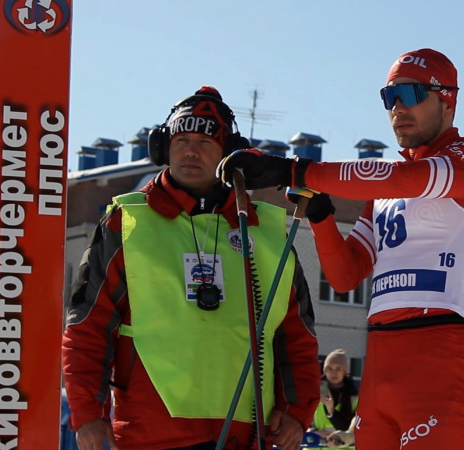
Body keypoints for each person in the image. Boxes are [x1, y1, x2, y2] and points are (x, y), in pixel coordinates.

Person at [218, 48, 464, 450]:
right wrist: (321, 216)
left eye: (409, 94)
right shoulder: (386, 193)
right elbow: (345, 276)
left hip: (436, 352)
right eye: (388, 97)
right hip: (380, 356)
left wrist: (294, 169)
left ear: (447, 100)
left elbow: (406, 178)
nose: (396, 108)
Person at [62, 86, 320, 450]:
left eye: (204, 140)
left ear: (230, 153)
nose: (190, 151)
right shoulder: (126, 223)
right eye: (181, 139)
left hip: (243, 434)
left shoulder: (267, 231)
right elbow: (87, 327)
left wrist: (297, 410)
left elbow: (297, 335)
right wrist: (88, 413)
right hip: (150, 432)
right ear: (162, 147)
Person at [308, 349, 359, 439]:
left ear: (345, 371)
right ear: (325, 371)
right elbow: (300, 423)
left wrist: (332, 412)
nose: (333, 372)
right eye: (329, 368)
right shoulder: (315, 392)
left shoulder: (354, 397)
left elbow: (351, 431)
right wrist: (314, 432)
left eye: (338, 368)